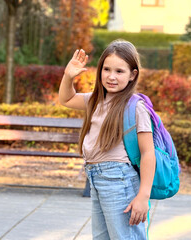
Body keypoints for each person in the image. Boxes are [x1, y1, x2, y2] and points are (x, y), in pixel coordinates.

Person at [59, 39, 156, 240]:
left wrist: (143, 196)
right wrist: (68, 77)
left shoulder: (135, 107)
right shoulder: (95, 100)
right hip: (96, 178)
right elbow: (66, 99)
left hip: (119, 181)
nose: (111, 76)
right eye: (106, 69)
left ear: (132, 75)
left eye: (119, 71)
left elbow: (148, 153)